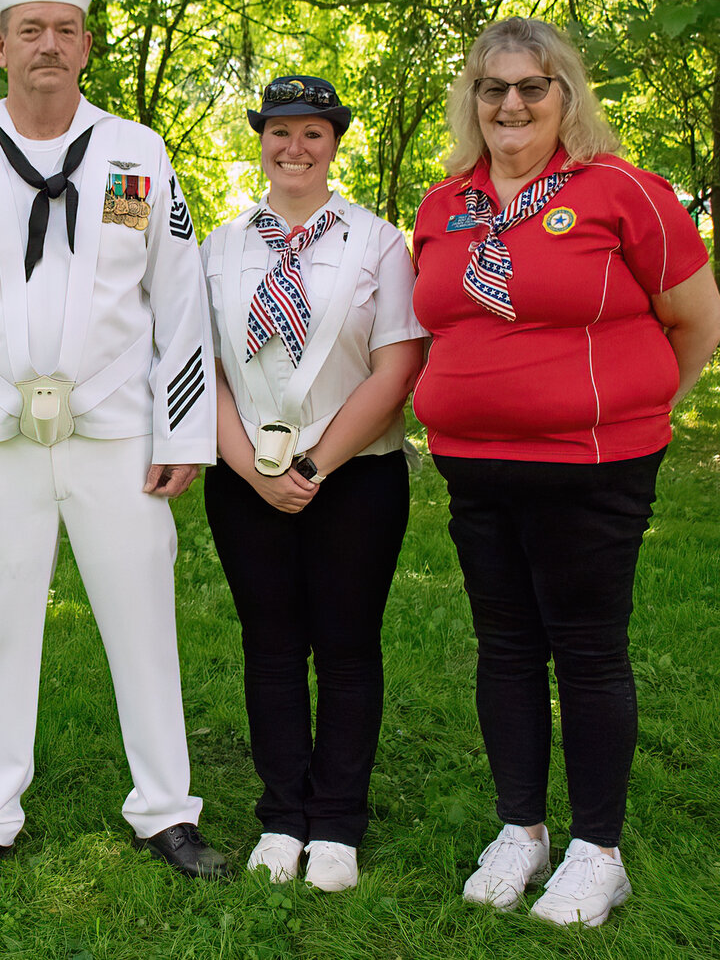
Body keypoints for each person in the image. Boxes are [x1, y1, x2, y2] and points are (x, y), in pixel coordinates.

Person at [0, 0, 222, 891]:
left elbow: (178, 299)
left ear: (86, 45)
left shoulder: (136, 155)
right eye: (29, 29)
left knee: (141, 617)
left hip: (118, 428)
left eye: (66, 30)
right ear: (0, 46)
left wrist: (182, 432)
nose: (49, 44)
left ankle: (166, 809)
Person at [412, 17, 720, 926]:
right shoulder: (448, 204)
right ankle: (523, 828)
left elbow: (699, 320)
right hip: (474, 466)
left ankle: (598, 848)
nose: (512, 104)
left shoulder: (621, 191)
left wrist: (638, 407)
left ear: (565, 96)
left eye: (532, 87)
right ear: (473, 101)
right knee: (505, 647)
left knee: (588, 652)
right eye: (493, 88)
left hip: (592, 467)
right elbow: (440, 321)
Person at [201, 76, 427, 891]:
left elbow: (398, 363)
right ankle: (282, 814)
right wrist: (251, 471)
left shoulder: (378, 243)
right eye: (280, 132)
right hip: (245, 480)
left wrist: (316, 464)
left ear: (336, 143)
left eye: (314, 134)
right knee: (269, 646)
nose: (294, 148)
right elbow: (203, 371)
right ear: (260, 138)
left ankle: (335, 820)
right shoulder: (220, 247)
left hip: (354, 477)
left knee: (345, 646)